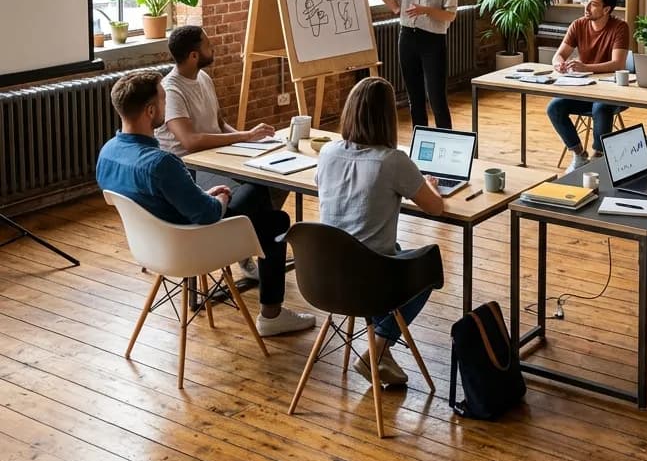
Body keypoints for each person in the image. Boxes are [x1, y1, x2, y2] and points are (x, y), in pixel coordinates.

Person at [96, 70, 315, 337]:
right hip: (192, 246)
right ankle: (272, 314)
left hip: (151, 246)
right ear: (151, 111)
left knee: (256, 208)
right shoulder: (161, 163)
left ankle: (255, 257)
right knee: (273, 217)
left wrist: (202, 195)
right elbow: (209, 214)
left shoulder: (107, 154)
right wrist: (219, 197)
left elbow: (161, 201)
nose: (167, 106)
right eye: (164, 100)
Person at [315, 77, 444, 387]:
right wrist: (426, 185)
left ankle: (381, 353)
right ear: (388, 117)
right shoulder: (393, 160)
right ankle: (378, 348)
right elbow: (435, 208)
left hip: (323, 277)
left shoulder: (328, 153)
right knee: (427, 266)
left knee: (395, 248)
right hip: (369, 283)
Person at [156, 25, 285, 279]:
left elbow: (219, 124)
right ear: (194, 55)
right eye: (207, 44)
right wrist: (244, 136)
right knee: (257, 189)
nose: (213, 47)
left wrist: (249, 143)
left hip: (219, 157)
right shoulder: (172, 90)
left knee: (277, 179)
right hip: (192, 168)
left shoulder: (203, 78)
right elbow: (190, 142)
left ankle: (248, 244)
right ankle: (241, 246)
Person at [361, 0, 457, 129]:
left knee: (436, 97)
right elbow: (396, 6)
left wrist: (426, 10)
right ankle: (420, 143)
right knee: (414, 98)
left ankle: (447, 143)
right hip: (407, 38)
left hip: (432, 41)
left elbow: (450, 14)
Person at [547, 0, 630, 171]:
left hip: (611, 92)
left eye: (592, 4)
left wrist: (585, 67)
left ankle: (598, 158)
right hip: (584, 89)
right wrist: (559, 64)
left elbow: (618, 64)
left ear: (606, 9)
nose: (586, 7)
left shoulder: (620, 27)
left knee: (600, 107)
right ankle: (579, 155)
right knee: (554, 107)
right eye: (586, 1)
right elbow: (558, 55)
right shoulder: (578, 24)